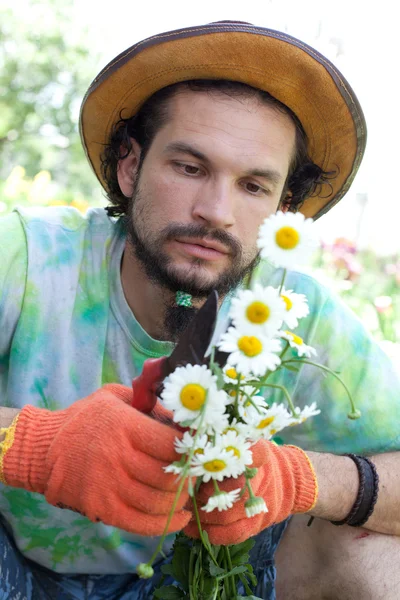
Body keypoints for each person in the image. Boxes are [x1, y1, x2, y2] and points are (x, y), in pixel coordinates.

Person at [0, 20, 399, 600]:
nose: (217, 211)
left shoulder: (295, 311)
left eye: (254, 187)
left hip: (196, 582)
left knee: (375, 548)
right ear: (130, 166)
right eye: (190, 168)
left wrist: (305, 478)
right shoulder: (29, 257)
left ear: (283, 207)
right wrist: (33, 445)